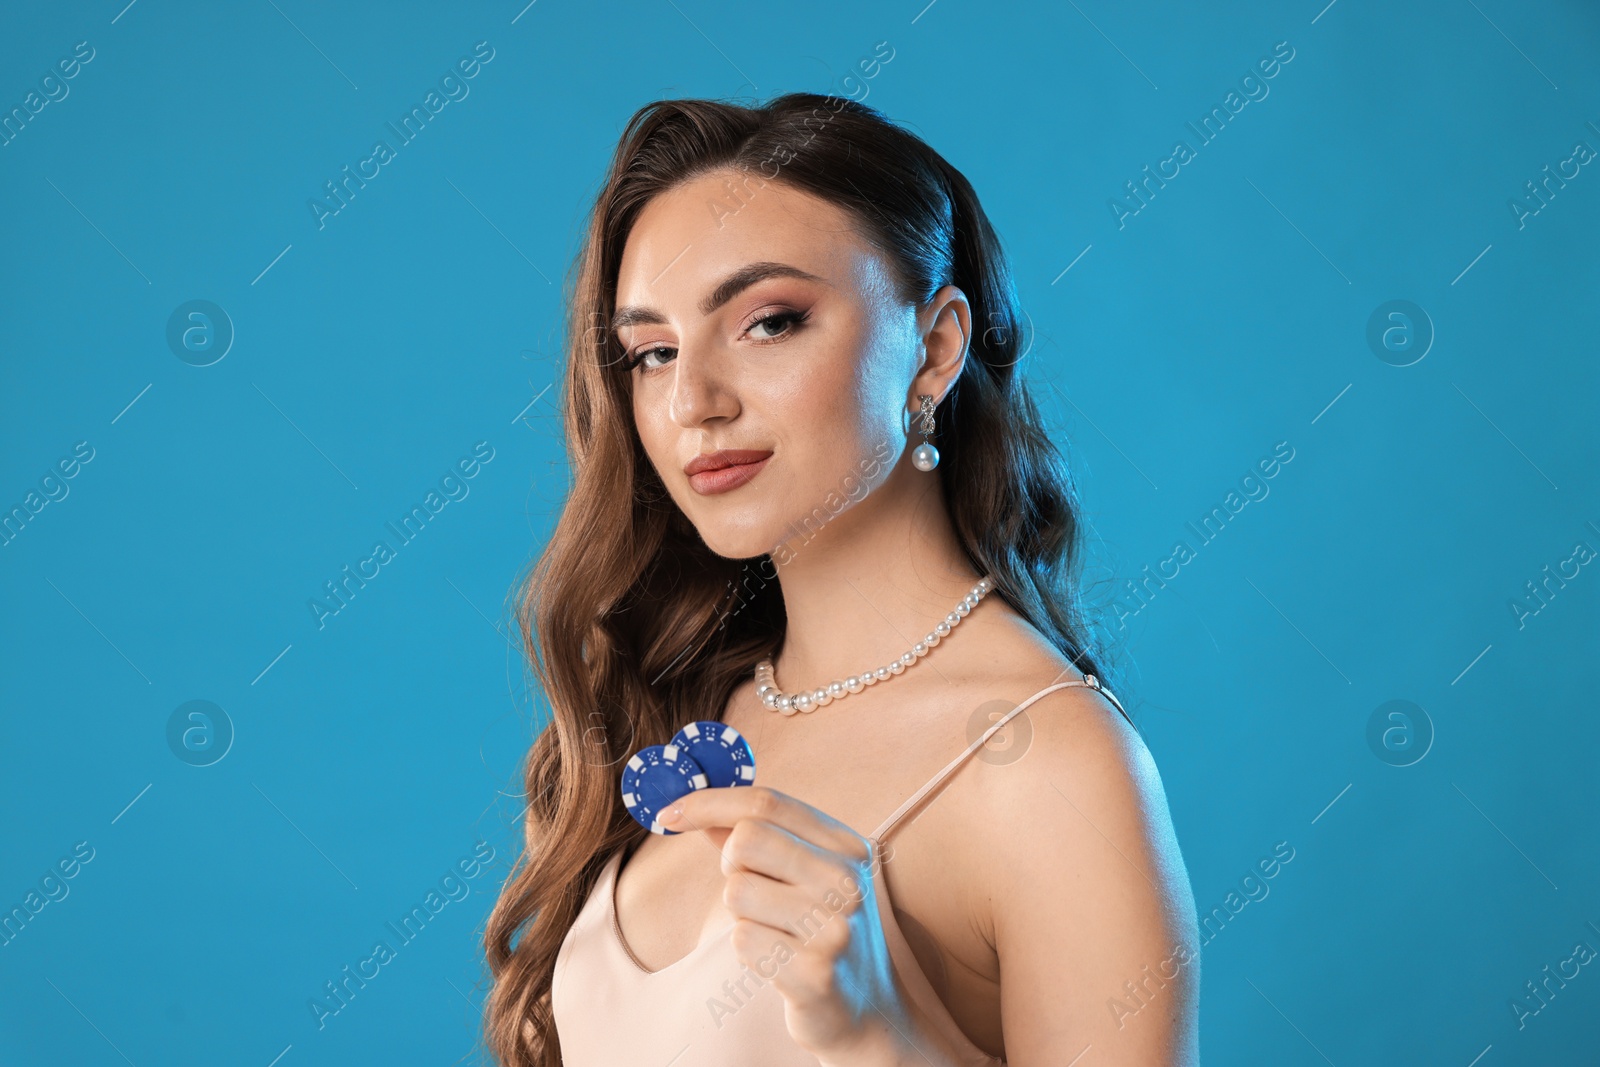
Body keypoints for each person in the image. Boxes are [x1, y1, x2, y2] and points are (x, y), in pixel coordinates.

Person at [483, 91, 1198, 1066]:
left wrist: (880, 1034)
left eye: (768, 322)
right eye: (651, 352)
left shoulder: (1047, 759)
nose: (692, 400)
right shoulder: (691, 699)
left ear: (936, 345)